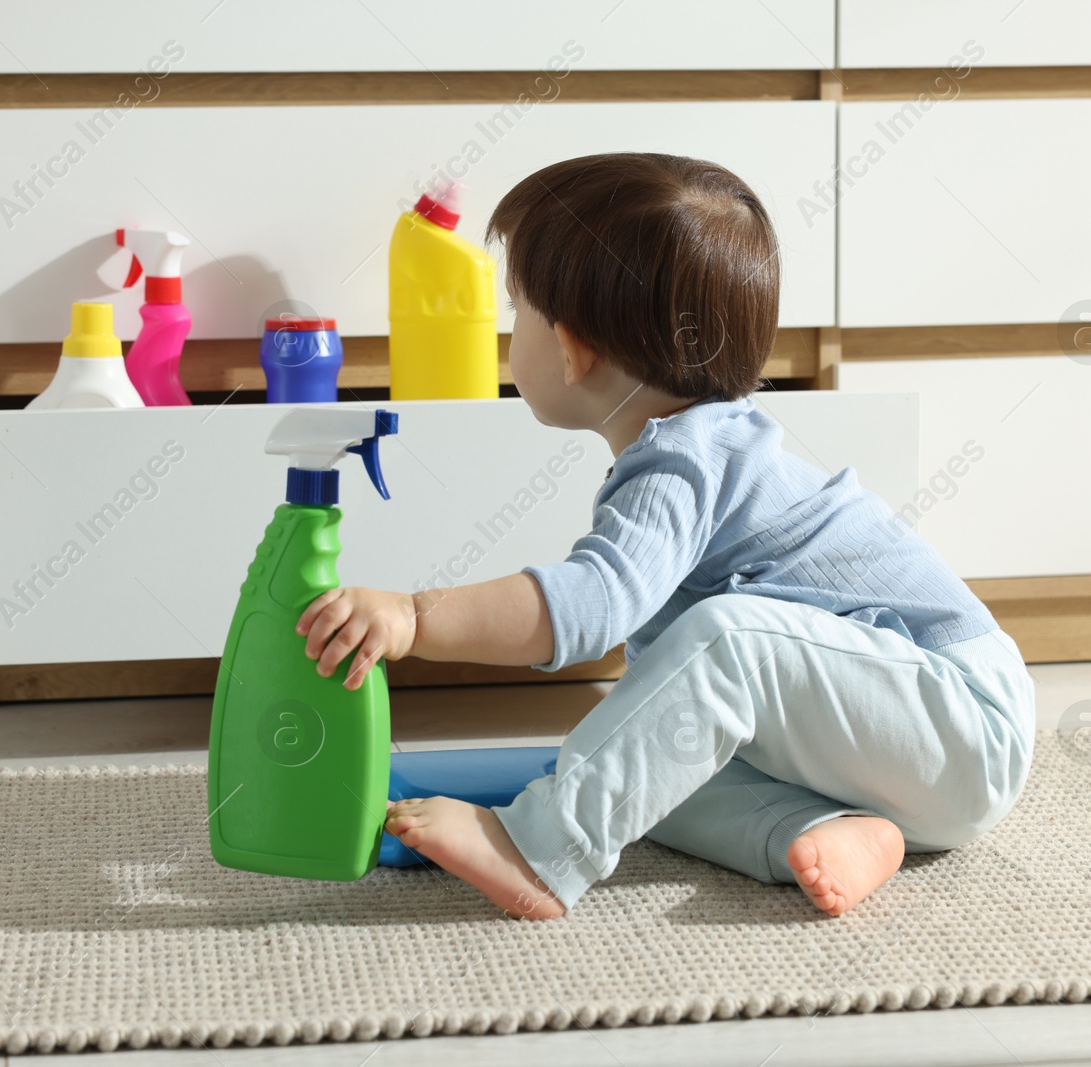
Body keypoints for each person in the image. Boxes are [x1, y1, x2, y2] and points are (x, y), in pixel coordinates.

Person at [295, 152, 1035, 919]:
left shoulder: (684, 461)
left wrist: (417, 615)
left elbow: (593, 605)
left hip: (963, 718)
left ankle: (540, 849)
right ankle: (823, 831)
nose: (510, 335)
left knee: (724, 644)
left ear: (574, 348)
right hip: (895, 753)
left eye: (518, 313)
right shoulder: (688, 451)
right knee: (643, 764)